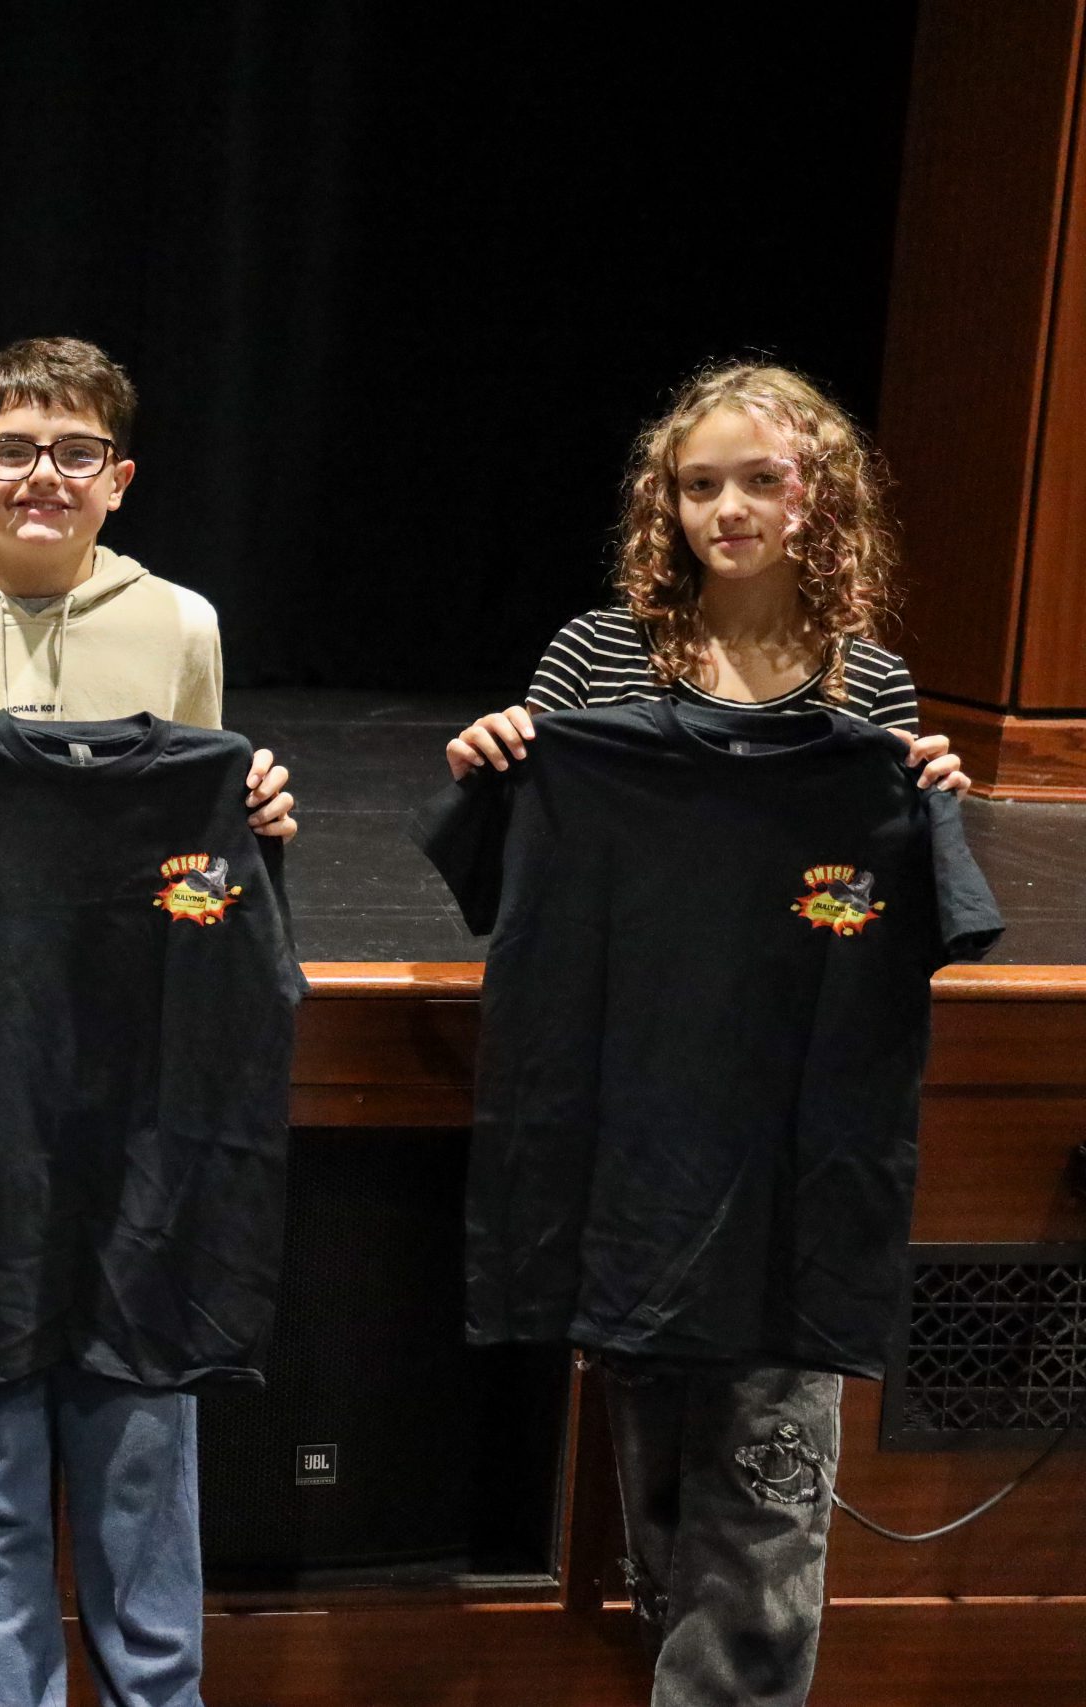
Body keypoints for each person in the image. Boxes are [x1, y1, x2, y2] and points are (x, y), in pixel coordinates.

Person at [441, 362, 966, 1706]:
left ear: (821, 495)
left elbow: (895, 919)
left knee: (764, 1509)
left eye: (760, 478)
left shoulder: (872, 693)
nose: (726, 507)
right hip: (637, 1147)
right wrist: (498, 766)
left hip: (789, 1161)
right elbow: (508, 891)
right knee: (666, 1500)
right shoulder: (599, 659)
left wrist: (925, 805)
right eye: (698, 482)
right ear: (664, 504)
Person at [0, 336, 294, 1707]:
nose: (47, 476)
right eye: (19, 451)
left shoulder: (181, 628)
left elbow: (199, 837)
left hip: (136, 1110)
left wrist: (251, 816)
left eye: (77, 452)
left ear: (120, 478)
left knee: (140, 1456)